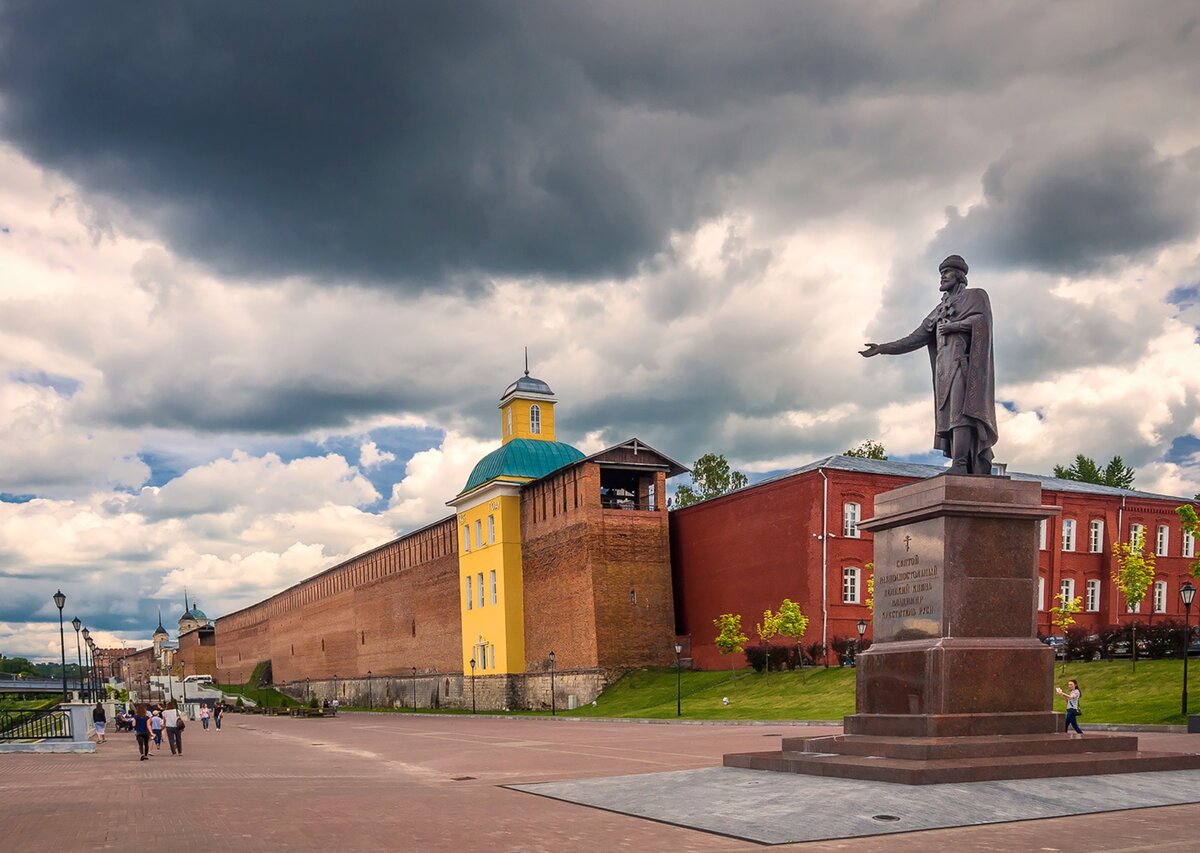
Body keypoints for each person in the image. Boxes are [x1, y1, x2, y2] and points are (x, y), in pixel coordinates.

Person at [861, 255, 998, 475]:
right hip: (943, 372)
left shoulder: (975, 296)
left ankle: (961, 465)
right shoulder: (939, 310)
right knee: (951, 418)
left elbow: (983, 322)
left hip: (963, 366)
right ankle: (959, 463)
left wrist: (958, 326)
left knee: (961, 415)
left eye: (947, 272)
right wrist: (882, 348)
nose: (942, 276)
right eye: (941, 273)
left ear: (960, 275)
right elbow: (915, 338)